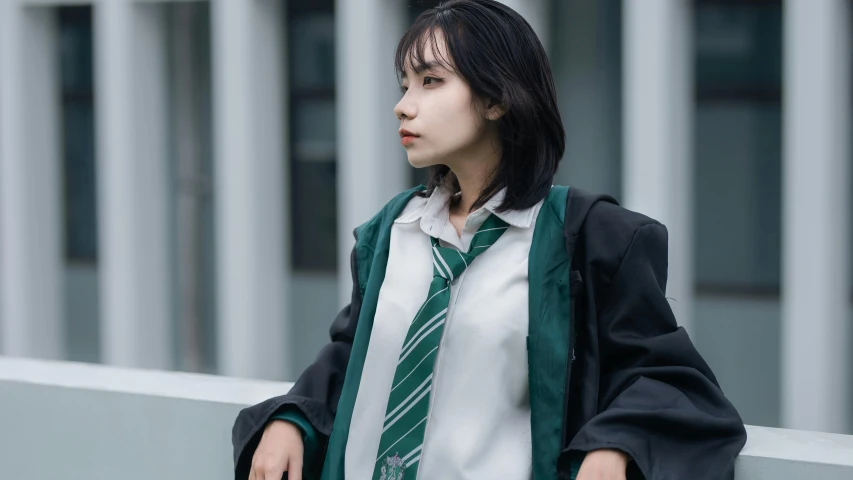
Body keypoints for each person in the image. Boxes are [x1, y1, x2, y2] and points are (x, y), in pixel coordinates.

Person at [232, 1, 747, 479]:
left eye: (430, 81)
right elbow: (352, 360)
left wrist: (615, 443)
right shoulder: (391, 233)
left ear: (498, 97)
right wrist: (291, 418)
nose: (403, 106)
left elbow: (668, 380)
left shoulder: (590, 239)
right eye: (404, 84)